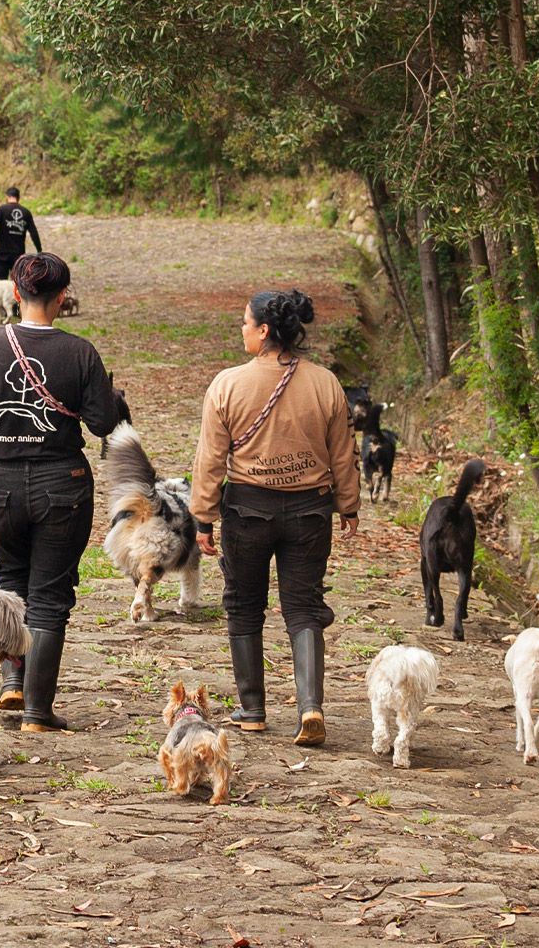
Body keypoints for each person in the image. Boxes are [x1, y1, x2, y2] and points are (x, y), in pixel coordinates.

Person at [0, 252, 118, 731]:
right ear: (63, 297)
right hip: (60, 486)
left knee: (8, 577)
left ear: (16, 292)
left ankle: (11, 683)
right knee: (49, 594)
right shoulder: (80, 352)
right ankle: (38, 712)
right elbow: (103, 422)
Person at [190, 289, 360, 747]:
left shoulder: (227, 385)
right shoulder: (325, 383)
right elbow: (343, 451)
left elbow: (210, 460)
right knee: (304, 607)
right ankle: (310, 707)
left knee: (244, 606)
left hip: (247, 511)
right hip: (310, 512)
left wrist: (203, 518)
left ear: (264, 330)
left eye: (245, 323)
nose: (241, 330)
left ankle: (253, 709)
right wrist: (349, 504)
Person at [0, 187, 42, 280]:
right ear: (19, 198)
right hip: (18, 256)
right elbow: (34, 233)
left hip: (2, 254)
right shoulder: (26, 212)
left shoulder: (1, 209)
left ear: (6, 197)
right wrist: (39, 250)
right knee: (18, 285)